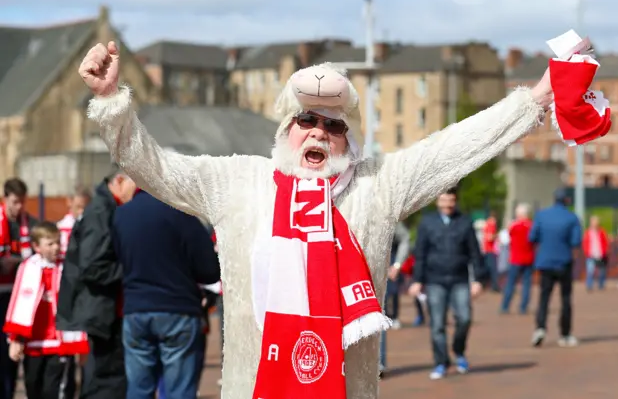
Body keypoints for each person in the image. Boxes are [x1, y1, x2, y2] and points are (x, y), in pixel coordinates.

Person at [79, 40, 553, 399]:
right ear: (288, 127)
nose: (321, 131)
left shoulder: (376, 186)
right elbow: (154, 167)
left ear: (349, 138)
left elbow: (451, 149)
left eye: (335, 124)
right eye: (309, 119)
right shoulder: (241, 181)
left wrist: (533, 100)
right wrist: (111, 103)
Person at [112, 189, 220, 399]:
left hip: (136, 308)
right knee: (179, 390)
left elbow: (114, 259)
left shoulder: (121, 214)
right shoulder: (180, 213)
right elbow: (209, 270)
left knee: (138, 388)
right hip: (178, 308)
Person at [57, 168, 137, 399]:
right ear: (119, 181)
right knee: (106, 378)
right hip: (102, 312)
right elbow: (92, 266)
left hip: (105, 309)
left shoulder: (107, 207)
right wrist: (130, 269)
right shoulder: (101, 210)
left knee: (109, 376)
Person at [3, 222, 89, 399]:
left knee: (54, 391)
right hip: (34, 343)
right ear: (36, 246)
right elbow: (18, 303)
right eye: (50, 243)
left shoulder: (67, 269)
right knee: (33, 387)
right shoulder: (28, 268)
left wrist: (81, 340)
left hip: (58, 343)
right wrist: (15, 338)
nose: (56, 247)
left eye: (58, 242)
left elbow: (78, 304)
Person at [408, 188, 487, 379]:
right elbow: (420, 254)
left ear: (456, 201)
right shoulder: (427, 223)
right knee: (437, 324)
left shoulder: (465, 222)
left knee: (465, 318)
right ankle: (441, 362)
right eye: (444, 200)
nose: (448, 204)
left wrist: (477, 279)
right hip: (435, 281)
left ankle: (458, 351)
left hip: (459, 280)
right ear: (437, 200)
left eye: (451, 200)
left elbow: (475, 253)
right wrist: (417, 280)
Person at [0, 177, 38, 399]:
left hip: (20, 299)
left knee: (13, 357)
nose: (19, 207)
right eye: (15, 202)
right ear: (5, 199)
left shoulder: (30, 225)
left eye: (22, 202)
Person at [530, 188, 582, 348]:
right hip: (563, 262)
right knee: (565, 298)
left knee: (544, 297)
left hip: (545, 262)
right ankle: (565, 334)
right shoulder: (572, 218)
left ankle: (540, 328)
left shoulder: (541, 215)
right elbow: (575, 241)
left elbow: (532, 237)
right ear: (566, 200)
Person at [379, 222, 411, 377]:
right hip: (351, 265)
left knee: (378, 314)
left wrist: (397, 264)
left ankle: (379, 364)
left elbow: (404, 237)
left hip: (381, 268)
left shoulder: (385, 212)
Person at [500, 203, 535, 314]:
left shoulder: (514, 226)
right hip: (528, 258)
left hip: (515, 259)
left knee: (510, 283)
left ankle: (505, 306)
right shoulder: (531, 225)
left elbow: (508, 235)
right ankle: (523, 307)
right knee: (526, 284)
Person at [58, 186, 93, 258]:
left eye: (86, 207)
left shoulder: (95, 226)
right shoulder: (60, 228)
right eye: (79, 207)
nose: (82, 211)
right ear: (69, 202)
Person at [583, 215, 608, 291]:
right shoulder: (588, 232)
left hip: (601, 254)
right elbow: (585, 243)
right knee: (590, 271)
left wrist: (605, 251)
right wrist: (587, 251)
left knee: (602, 271)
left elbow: (605, 242)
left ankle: (601, 284)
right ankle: (589, 285)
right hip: (590, 254)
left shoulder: (602, 231)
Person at [482, 211, 500, 292]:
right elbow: (490, 237)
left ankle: (485, 284)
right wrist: (497, 236)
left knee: (488, 268)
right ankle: (494, 286)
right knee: (493, 269)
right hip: (491, 249)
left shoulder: (487, 224)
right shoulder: (491, 225)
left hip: (487, 249)